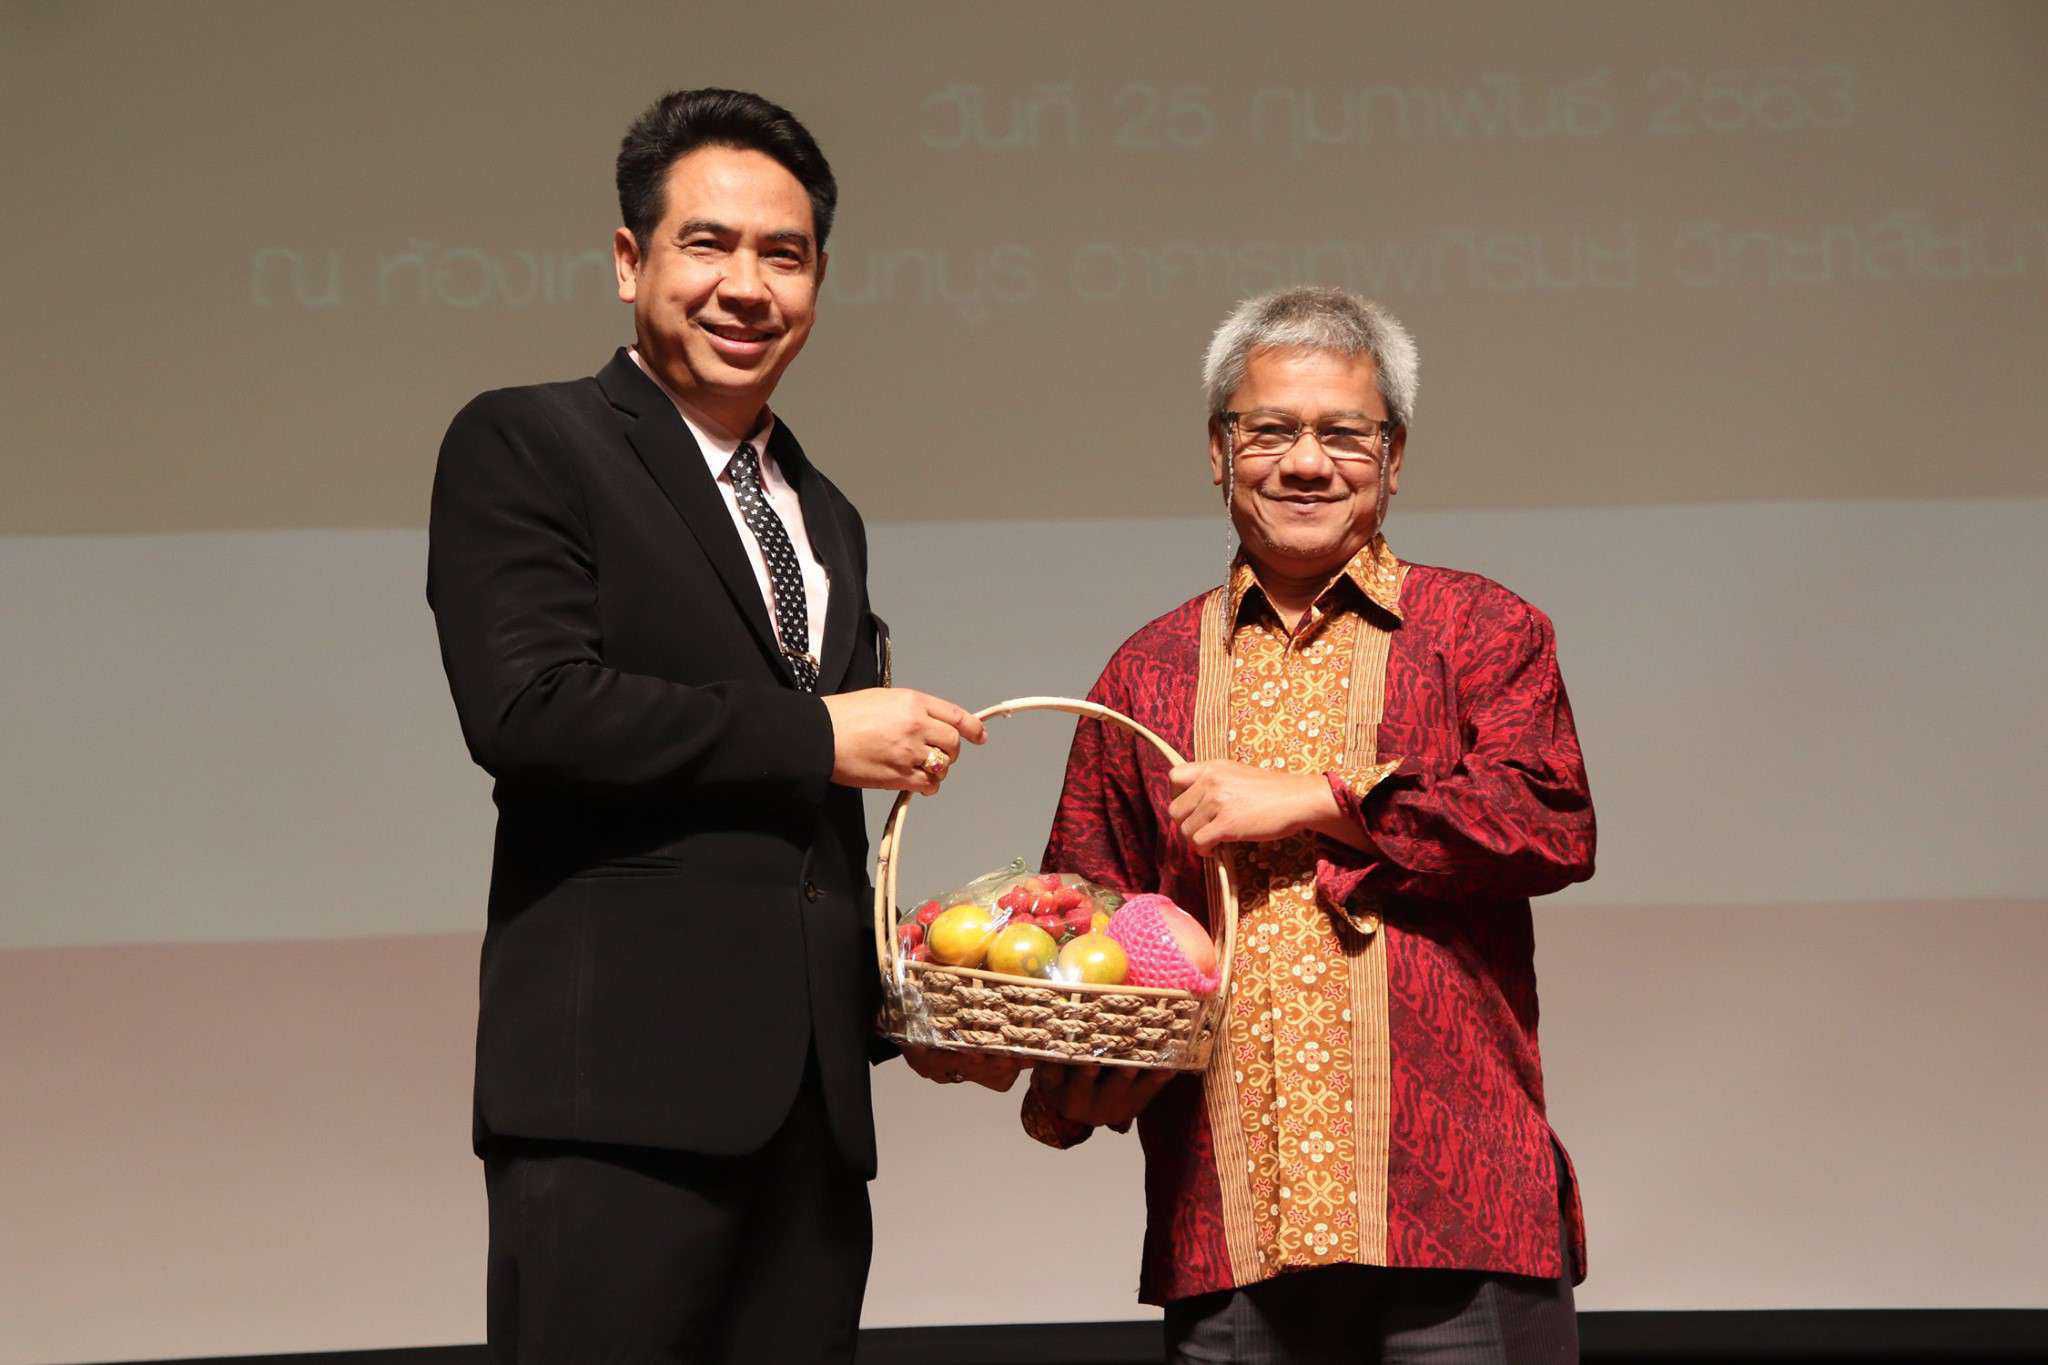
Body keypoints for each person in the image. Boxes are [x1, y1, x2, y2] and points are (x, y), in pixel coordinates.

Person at [427, 87, 1014, 1364]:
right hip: (612, 1115)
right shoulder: (527, 441)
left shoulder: (825, 510)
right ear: (628, 259)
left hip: (809, 1135)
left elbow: (801, 845)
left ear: (818, 283)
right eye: (708, 244)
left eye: (784, 256)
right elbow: (528, 709)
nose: (746, 287)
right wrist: (817, 736)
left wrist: (907, 1014)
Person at [1022, 286, 1596, 1362]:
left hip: (1457, 1217)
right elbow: (1080, 922)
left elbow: (1549, 819)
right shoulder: (1144, 674)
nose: (1304, 463)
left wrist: (1322, 799)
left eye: (1343, 434)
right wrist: (1063, 1082)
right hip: (1229, 1226)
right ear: (1217, 450)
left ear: (1393, 458)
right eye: (1270, 431)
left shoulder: (1480, 629)